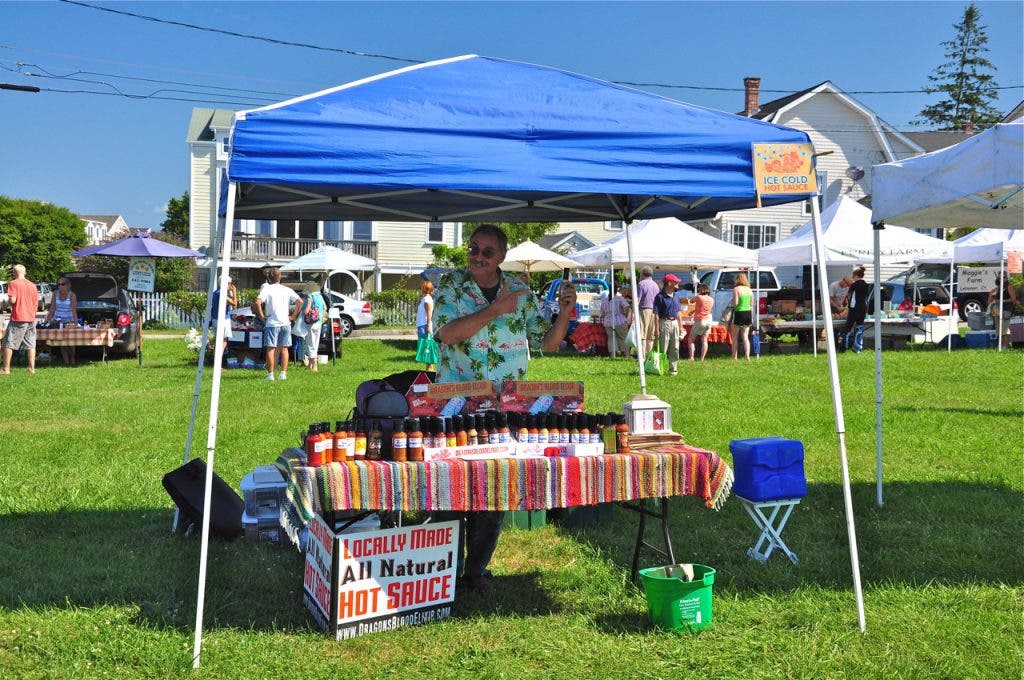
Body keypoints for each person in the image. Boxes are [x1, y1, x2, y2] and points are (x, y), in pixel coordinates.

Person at [432, 224, 575, 593]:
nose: (478, 257)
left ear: (502, 257)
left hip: (506, 407)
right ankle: (441, 568)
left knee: (493, 488)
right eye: (473, 249)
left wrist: (565, 313)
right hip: (456, 404)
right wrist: (496, 310)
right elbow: (447, 334)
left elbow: (549, 343)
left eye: (487, 252)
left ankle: (476, 569)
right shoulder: (451, 285)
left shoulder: (520, 290)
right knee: (449, 487)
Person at [252, 267, 301, 381]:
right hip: (285, 322)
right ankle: (283, 373)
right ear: (280, 278)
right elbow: (300, 301)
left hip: (272, 323)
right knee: (284, 349)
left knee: (271, 349)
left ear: (269, 278)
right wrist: (293, 316)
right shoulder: (286, 289)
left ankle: (270, 374)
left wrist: (262, 316)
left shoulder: (267, 289)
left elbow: (257, 302)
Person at [2, 264, 40, 375]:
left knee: (8, 342)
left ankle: (6, 369)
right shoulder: (33, 285)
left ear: (14, 273)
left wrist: (6, 304)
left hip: (18, 317)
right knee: (31, 343)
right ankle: (31, 368)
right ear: (25, 272)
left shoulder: (13, 283)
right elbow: (36, 304)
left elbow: (13, 300)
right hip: (31, 318)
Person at [652, 274, 683, 375]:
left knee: (675, 347)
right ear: (669, 283)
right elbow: (656, 315)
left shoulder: (676, 296)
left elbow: (678, 312)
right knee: (663, 347)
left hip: (674, 323)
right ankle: (659, 368)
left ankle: (673, 369)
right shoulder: (660, 297)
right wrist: (657, 329)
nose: (678, 283)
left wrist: (681, 325)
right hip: (664, 322)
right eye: (676, 282)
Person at [44, 277, 79, 365]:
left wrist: (76, 323)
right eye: (58, 284)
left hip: (69, 321)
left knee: (70, 342)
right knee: (62, 342)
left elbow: (74, 311)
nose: (60, 286)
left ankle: (72, 357)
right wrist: (47, 321)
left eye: (62, 284)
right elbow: (52, 308)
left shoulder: (72, 295)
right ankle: (66, 362)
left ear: (67, 285)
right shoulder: (55, 293)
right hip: (58, 321)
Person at [842, 267, 870, 353]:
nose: (852, 278)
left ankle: (844, 348)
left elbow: (850, 297)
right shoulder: (867, 285)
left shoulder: (854, 285)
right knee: (859, 327)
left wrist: (846, 306)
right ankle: (858, 348)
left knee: (848, 328)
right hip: (863, 308)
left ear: (857, 276)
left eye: (853, 276)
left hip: (854, 309)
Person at [602, 284, 632, 358]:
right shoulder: (619, 298)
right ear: (617, 290)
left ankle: (613, 355)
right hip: (619, 321)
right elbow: (627, 306)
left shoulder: (604, 300)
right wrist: (625, 315)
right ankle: (626, 354)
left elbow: (602, 313)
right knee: (623, 337)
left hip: (608, 322)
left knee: (611, 338)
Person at [301, 283, 326, 371]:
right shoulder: (320, 297)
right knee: (315, 344)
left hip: (311, 323)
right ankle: (311, 365)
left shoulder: (310, 296)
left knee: (310, 344)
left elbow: (307, 310)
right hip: (318, 322)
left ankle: (314, 365)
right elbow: (324, 308)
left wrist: (303, 311)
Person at [636, 266, 660, 356]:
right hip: (654, 311)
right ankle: (649, 356)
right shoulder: (656, 285)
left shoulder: (641, 284)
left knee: (643, 336)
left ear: (642, 274)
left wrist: (633, 313)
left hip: (644, 310)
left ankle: (642, 356)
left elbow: (638, 300)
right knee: (650, 336)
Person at [730, 272, 753, 361]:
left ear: (737, 279)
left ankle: (734, 357)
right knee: (745, 336)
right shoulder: (749, 290)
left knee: (735, 337)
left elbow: (735, 303)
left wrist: (732, 303)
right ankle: (747, 356)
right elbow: (751, 304)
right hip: (748, 313)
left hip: (739, 312)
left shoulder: (736, 289)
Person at [687, 283, 714, 362]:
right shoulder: (711, 299)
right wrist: (693, 311)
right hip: (708, 321)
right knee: (704, 341)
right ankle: (702, 359)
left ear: (701, 290)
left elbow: (691, 301)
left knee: (690, 340)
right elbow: (703, 308)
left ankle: (691, 357)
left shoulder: (699, 297)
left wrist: (689, 299)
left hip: (700, 321)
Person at [416, 280, 435, 371]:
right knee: (424, 346)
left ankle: (430, 367)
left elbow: (429, 313)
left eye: (423, 288)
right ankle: (428, 366)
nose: (422, 289)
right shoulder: (424, 299)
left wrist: (428, 326)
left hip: (424, 325)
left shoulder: (427, 299)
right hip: (421, 325)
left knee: (427, 346)